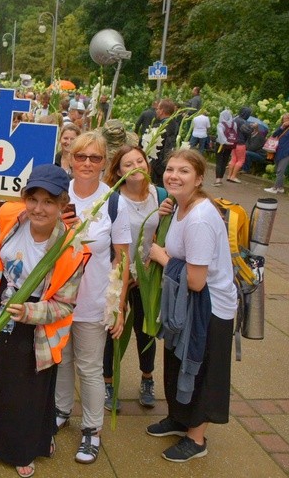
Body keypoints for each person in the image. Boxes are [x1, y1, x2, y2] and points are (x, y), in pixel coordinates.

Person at [0, 164, 89, 478]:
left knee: (29, 390)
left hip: (35, 327)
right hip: (2, 314)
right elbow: (3, 253)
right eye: (34, 198)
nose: (39, 208)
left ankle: (26, 447)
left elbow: (66, 306)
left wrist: (29, 312)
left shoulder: (70, 249)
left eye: (49, 202)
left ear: (62, 204)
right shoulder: (12, 216)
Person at [146, 149, 237, 463]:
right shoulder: (180, 207)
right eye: (170, 169)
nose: (173, 175)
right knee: (176, 360)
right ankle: (180, 419)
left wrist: (159, 257)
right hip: (188, 303)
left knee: (200, 368)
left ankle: (197, 439)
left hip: (209, 307)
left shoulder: (198, 218)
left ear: (199, 179)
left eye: (184, 171)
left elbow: (196, 280)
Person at [53, 134, 130, 465]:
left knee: (90, 367)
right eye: (80, 156)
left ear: (105, 163)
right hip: (56, 298)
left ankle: (91, 429)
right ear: (70, 158)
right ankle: (60, 409)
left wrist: (118, 307)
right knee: (61, 359)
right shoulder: (56, 194)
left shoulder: (115, 202)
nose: (86, 163)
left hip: (93, 300)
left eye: (95, 158)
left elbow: (122, 259)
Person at [101, 146, 166, 414]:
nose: (136, 166)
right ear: (118, 171)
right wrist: (120, 275)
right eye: (128, 164)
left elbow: (166, 233)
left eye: (140, 161)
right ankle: (108, 382)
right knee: (113, 328)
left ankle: (147, 378)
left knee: (145, 328)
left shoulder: (160, 196)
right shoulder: (112, 198)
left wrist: (154, 260)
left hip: (148, 276)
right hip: (118, 273)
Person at [264, 112, 289, 194]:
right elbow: (274, 135)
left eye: (288, 119)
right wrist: (281, 128)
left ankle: (275, 188)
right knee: (277, 169)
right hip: (278, 151)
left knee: (280, 170)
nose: (286, 120)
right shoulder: (281, 127)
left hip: (287, 152)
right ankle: (280, 187)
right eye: (284, 119)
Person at [149, 99, 179, 186]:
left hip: (158, 169)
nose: (156, 111)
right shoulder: (176, 125)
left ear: (162, 111)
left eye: (158, 109)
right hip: (170, 164)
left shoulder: (159, 128)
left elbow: (153, 150)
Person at [227, 107, 252, 183]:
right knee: (241, 160)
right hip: (240, 143)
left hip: (233, 142)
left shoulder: (234, 119)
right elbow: (247, 132)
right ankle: (233, 176)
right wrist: (252, 128)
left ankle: (229, 176)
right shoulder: (243, 122)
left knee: (233, 159)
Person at [213, 109, 236, 187]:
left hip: (220, 145)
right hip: (230, 145)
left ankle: (217, 180)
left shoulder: (220, 124)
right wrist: (230, 142)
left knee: (219, 161)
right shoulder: (234, 124)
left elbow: (221, 135)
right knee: (224, 161)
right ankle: (221, 178)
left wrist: (224, 141)